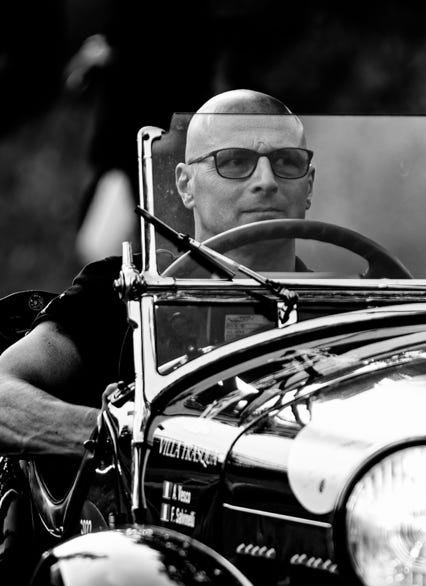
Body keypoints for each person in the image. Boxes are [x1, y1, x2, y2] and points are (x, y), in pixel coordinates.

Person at [0, 89, 315, 462]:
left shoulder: (355, 306)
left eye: (287, 161)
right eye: (233, 161)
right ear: (185, 185)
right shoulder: (124, 291)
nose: (266, 180)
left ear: (308, 185)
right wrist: (132, 440)